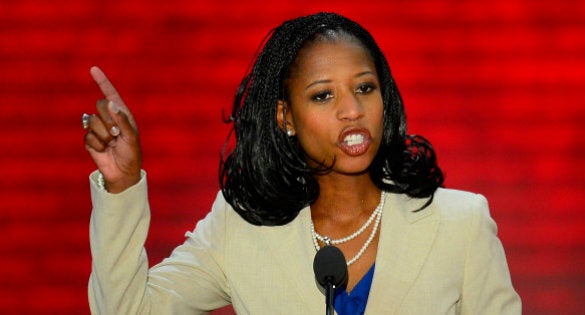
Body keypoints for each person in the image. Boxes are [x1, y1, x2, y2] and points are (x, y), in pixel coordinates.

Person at [83, 12, 521, 314]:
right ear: (286, 117)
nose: (351, 110)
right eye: (323, 95)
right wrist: (121, 187)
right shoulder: (240, 231)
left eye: (365, 88)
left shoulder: (461, 224)